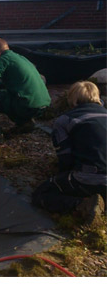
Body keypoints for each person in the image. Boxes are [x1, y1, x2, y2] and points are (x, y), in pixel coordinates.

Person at [32, 81, 106, 222]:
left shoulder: (65, 120)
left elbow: (65, 159)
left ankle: (81, 205)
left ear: (72, 99)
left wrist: (59, 175)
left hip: (91, 178)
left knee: (41, 193)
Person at [0, 38, 51, 139]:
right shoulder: (20, 58)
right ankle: (25, 123)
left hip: (26, 105)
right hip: (42, 104)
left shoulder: (3, 59)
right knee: (9, 96)